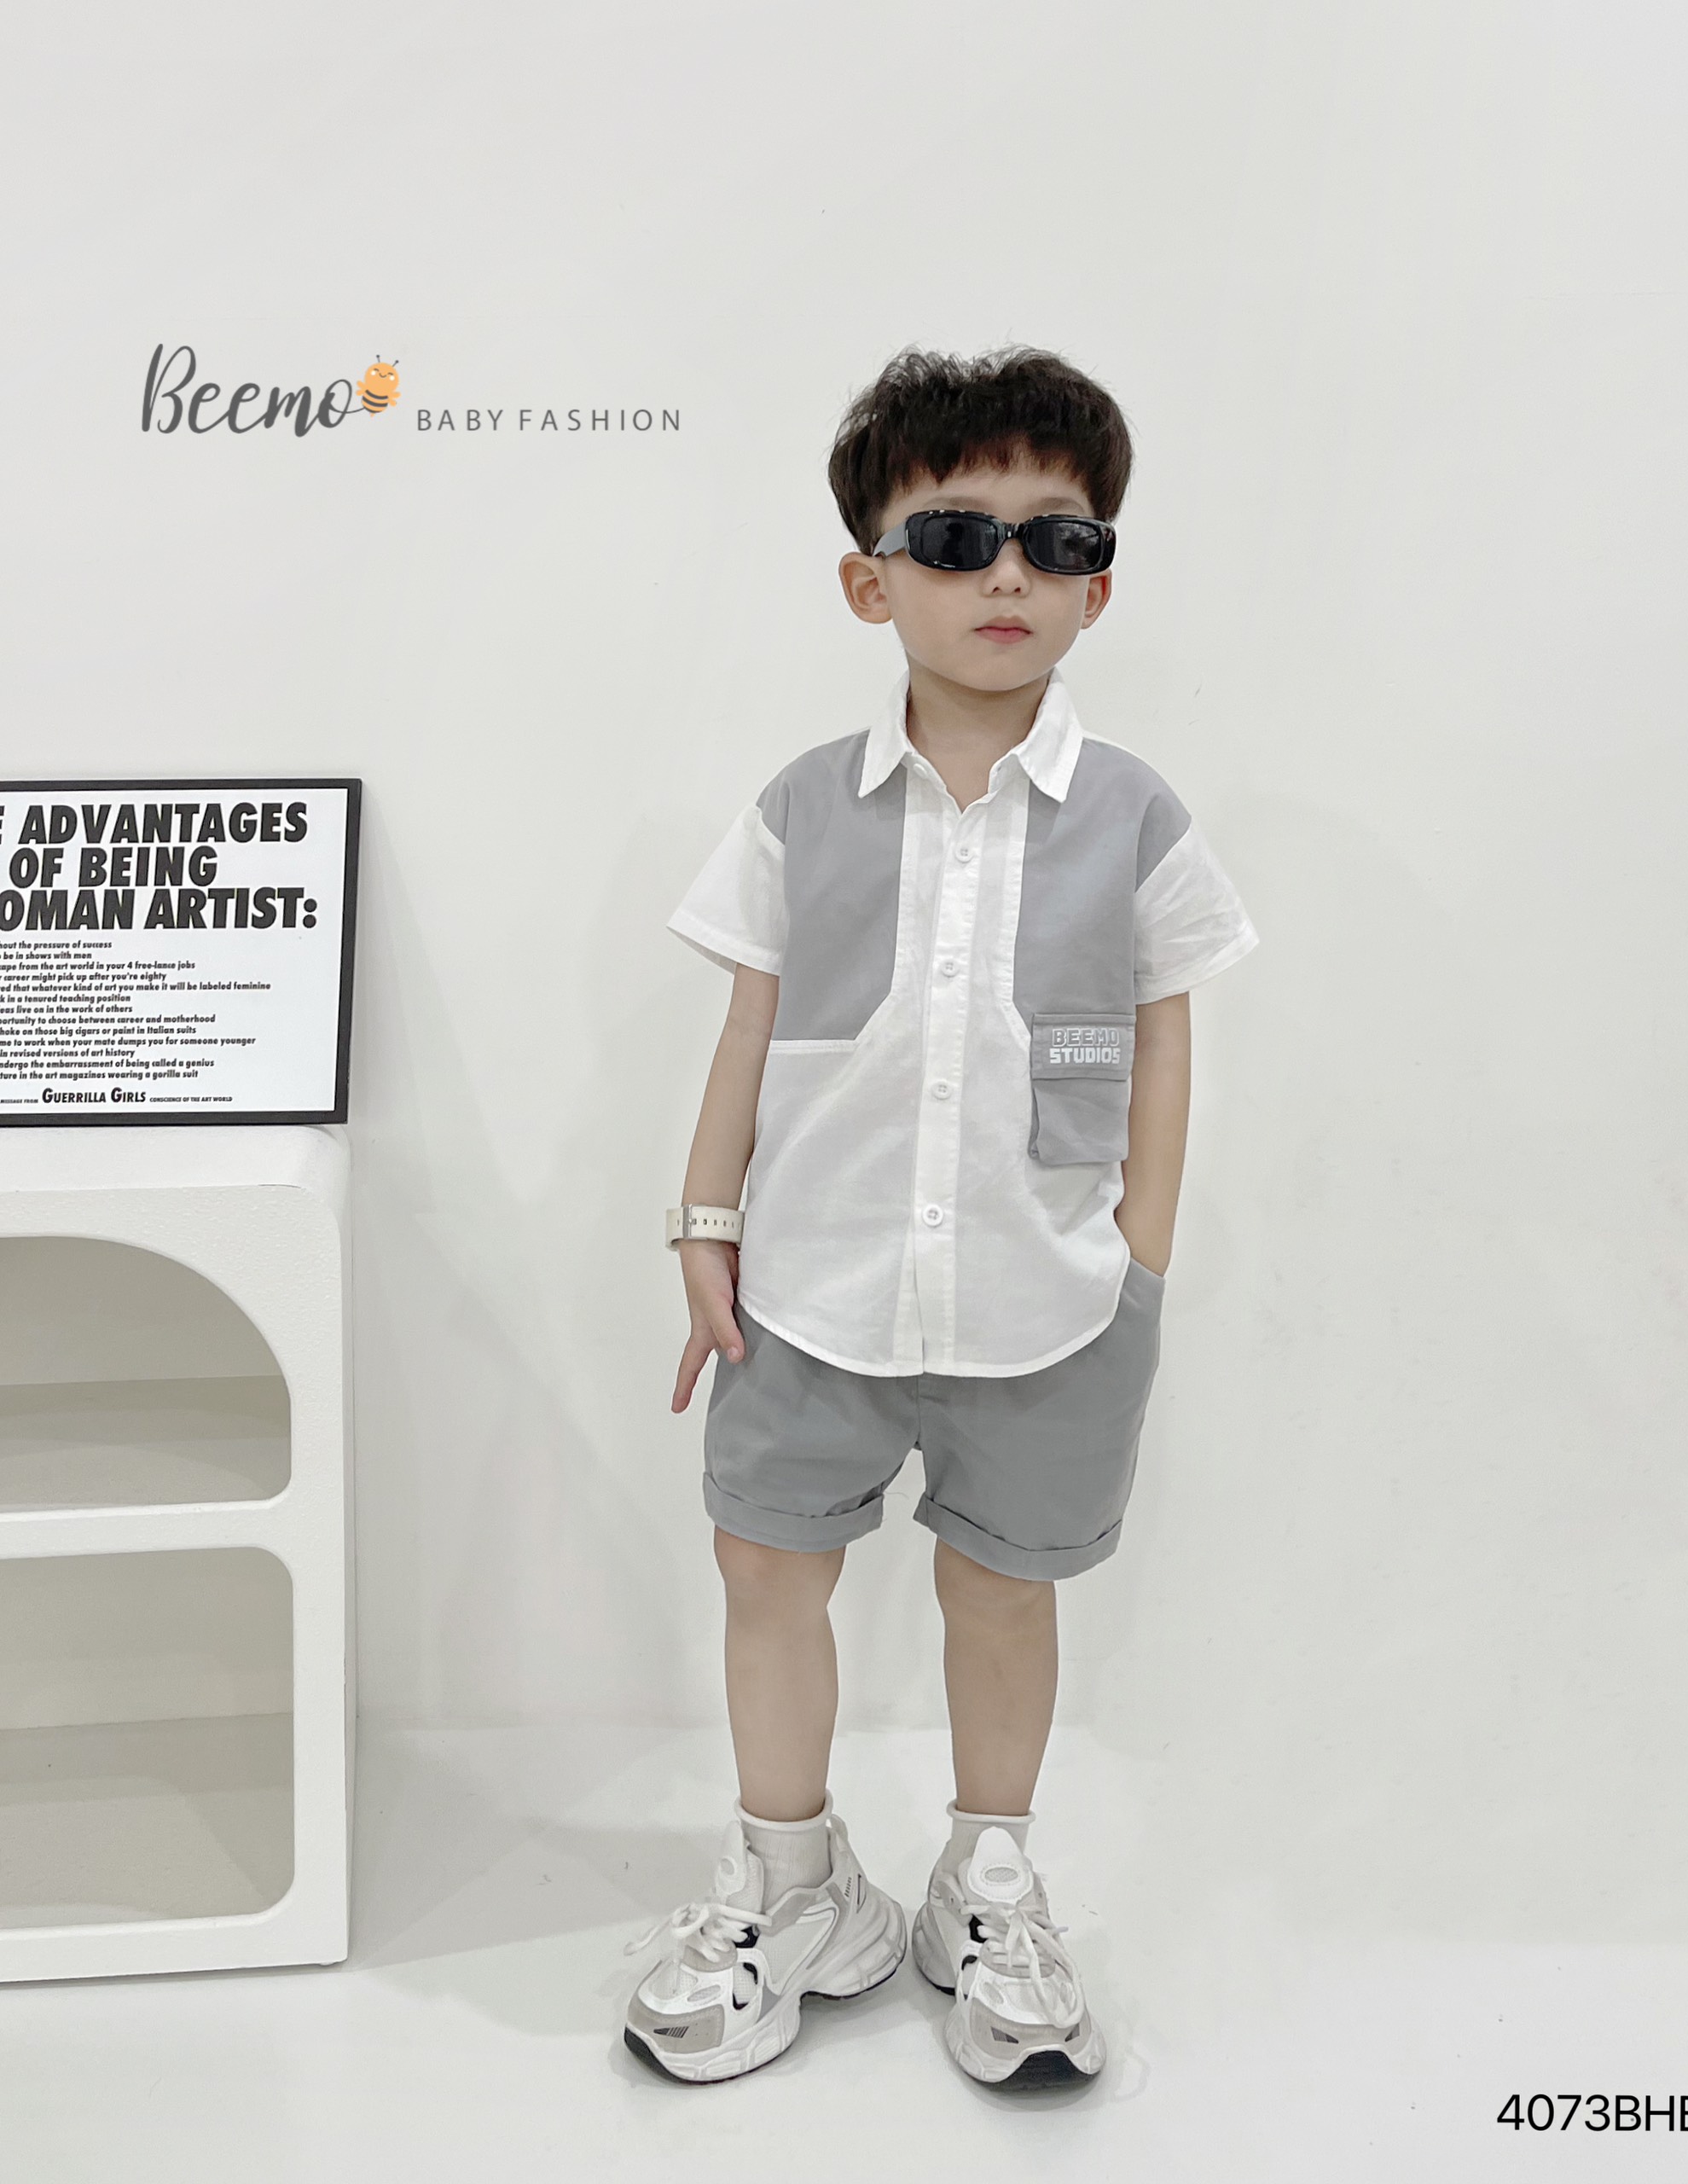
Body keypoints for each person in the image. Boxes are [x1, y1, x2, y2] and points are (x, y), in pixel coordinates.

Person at [623, 345, 1257, 2088]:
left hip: (1051, 1298)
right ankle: (792, 1880)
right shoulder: (797, 810)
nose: (1007, 574)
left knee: (1002, 1587)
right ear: (869, 580)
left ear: (1097, 586)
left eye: (1058, 540)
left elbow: (1164, 1044)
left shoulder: (1136, 818)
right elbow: (749, 1026)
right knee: (767, 1565)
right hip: (807, 1286)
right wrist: (702, 1219)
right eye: (959, 535)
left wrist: (1139, 1262)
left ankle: (987, 1881)